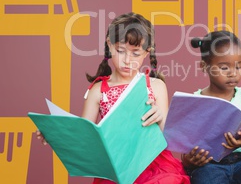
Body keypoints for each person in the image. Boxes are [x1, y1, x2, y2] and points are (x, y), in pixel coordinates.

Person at [37, 12, 190, 184]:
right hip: (116, 168)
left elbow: (169, 138)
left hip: (153, 166)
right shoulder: (98, 90)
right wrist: (56, 133)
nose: (127, 60)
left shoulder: (155, 86)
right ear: (109, 45)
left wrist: (160, 118)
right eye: (120, 51)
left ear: (147, 53)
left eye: (135, 53)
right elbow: (84, 136)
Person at [181, 30, 241, 184]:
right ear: (204, 66)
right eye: (224, 68)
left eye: (238, 67)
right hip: (209, 164)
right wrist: (190, 161)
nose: (233, 73)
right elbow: (186, 153)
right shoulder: (194, 101)